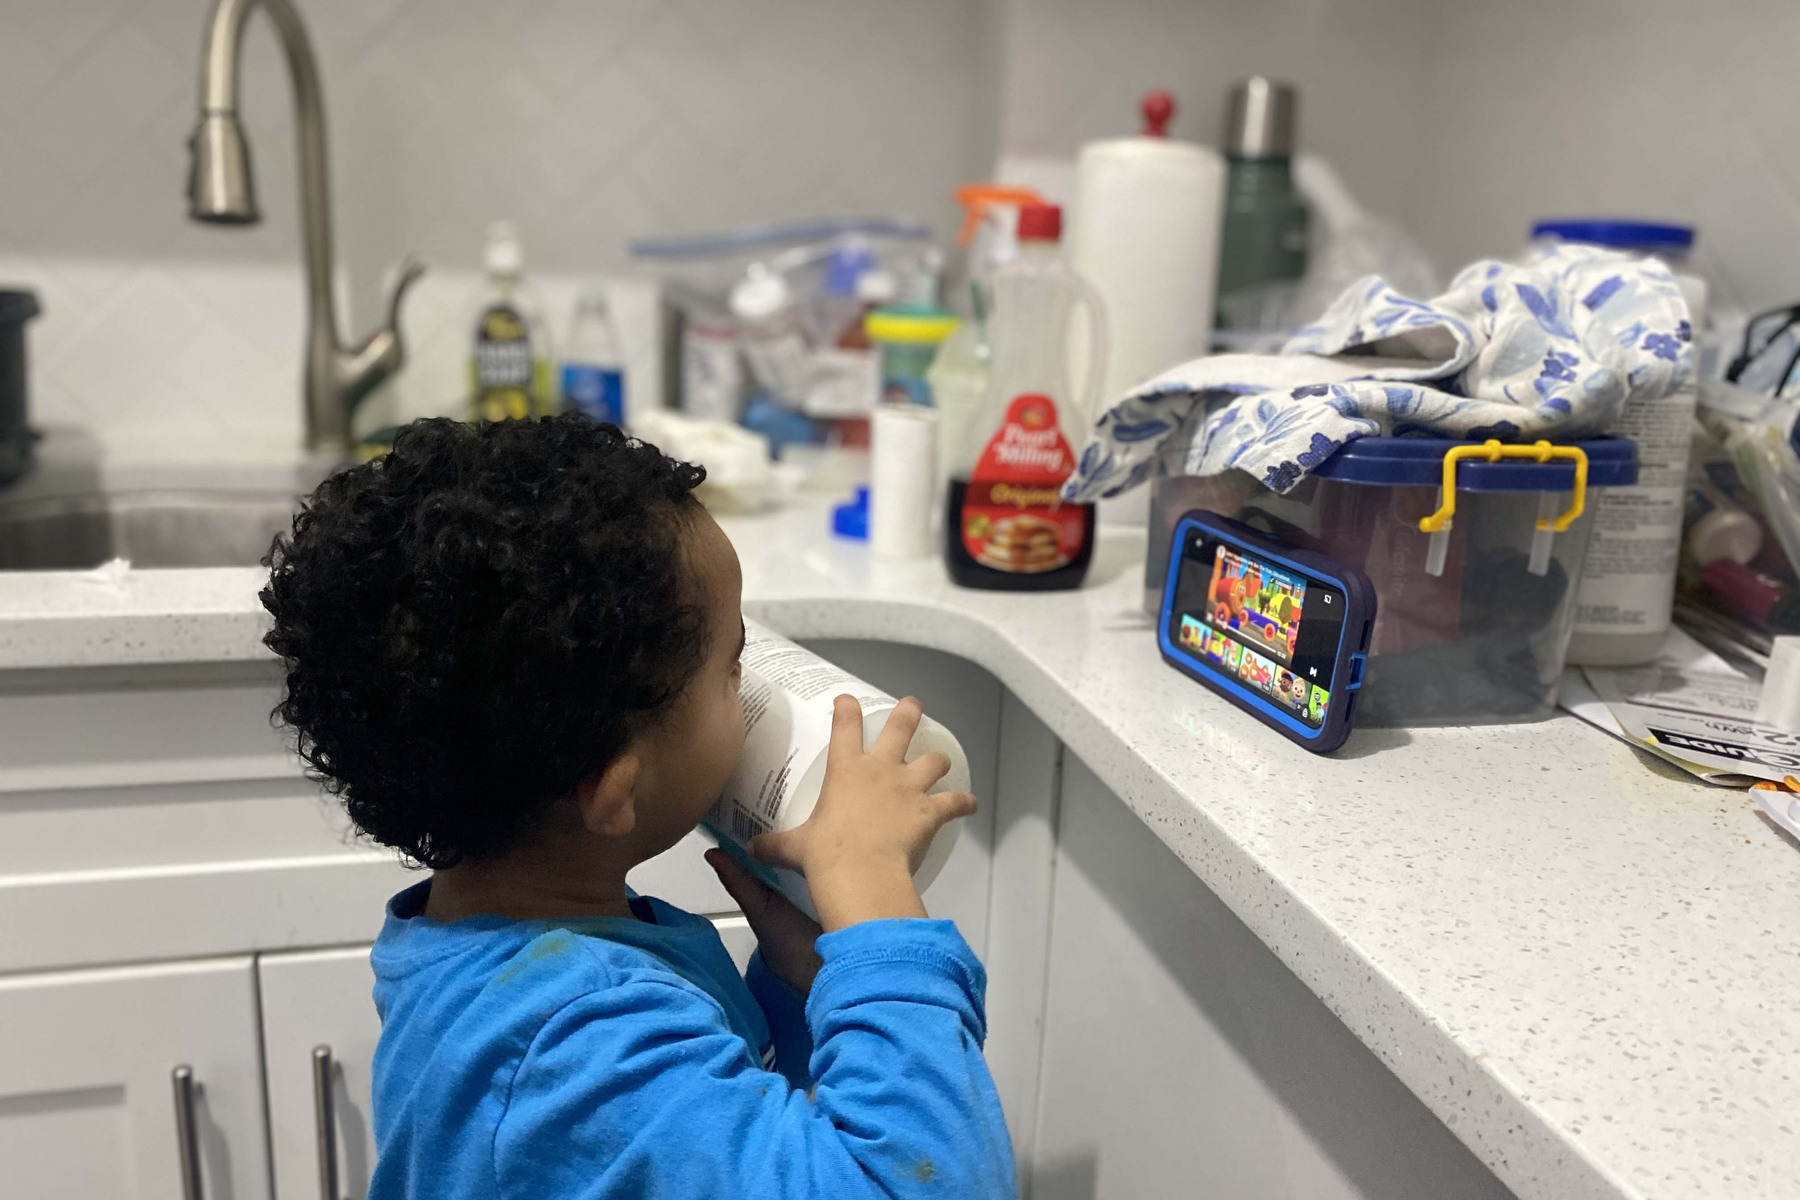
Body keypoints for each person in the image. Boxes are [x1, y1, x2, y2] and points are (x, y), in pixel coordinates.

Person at [260, 415, 1015, 1199]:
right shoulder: (577, 1048)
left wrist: (798, 988)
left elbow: (729, 1143)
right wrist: (876, 907)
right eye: (731, 670)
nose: (749, 688)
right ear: (615, 790)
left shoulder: (487, 946)